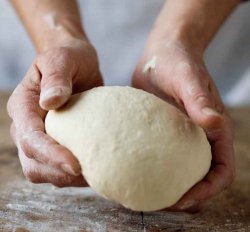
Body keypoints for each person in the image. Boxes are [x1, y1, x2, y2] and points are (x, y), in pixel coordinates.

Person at [6, 0, 247, 212]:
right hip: (44, 39)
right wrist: (57, 38)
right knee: (54, 92)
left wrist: (178, 38)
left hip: (206, 46)